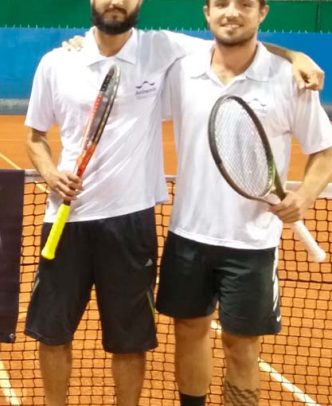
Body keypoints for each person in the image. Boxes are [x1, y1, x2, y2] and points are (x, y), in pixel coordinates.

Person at [23, 0, 323, 404]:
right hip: (108, 226)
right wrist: (49, 173)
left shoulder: (162, 49)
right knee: (63, 333)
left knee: (148, 342)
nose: (116, 1)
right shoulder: (66, 62)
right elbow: (35, 135)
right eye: (221, 4)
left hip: (151, 227)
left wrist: (295, 54)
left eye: (244, 4)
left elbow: (235, 39)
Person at [158, 0, 332, 404]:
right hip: (188, 234)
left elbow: (324, 151)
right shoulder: (183, 69)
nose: (231, 13)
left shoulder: (287, 79)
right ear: (206, 12)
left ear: (262, 12)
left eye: (244, 4)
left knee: (242, 345)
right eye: (221, 4)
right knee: (188, 332)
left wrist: (305, 195)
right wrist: (78, 45)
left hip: (252, 244)